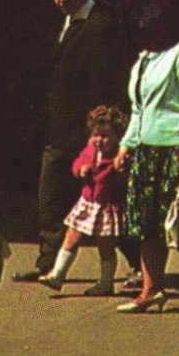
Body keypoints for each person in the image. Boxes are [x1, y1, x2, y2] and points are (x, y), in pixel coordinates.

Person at [16, 0, 125, 284]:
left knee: (105, 200)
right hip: (58, 128)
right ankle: (48, 262)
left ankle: (137, 262)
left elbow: (101, 82)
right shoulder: (60, 24)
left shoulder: (100, 25)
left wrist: (97, 134)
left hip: (86, 131)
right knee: (50, 197)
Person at [115, 23, 179, 313]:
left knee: (178, 223)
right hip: (148, 148)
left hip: (175, 145)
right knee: (147, 221)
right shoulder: (142, 61)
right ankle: (151, 290)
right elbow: (139, 109)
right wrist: (126, 145)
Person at [38, 105, 127, 293]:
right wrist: (80, 169)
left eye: (105, 136)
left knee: (106, 247)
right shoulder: (90, 150)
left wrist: (120, 171)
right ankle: (58, 274)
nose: (99, 140)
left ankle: (106, 282)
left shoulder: (119, 157)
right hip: (87, 203)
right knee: (71, 236)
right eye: (96, 135)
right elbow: (78, 162)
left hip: (107, 207)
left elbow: (123, 179)